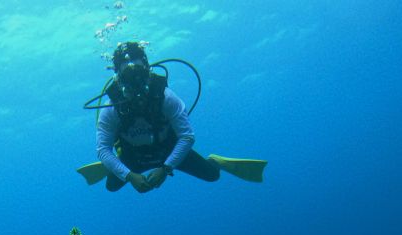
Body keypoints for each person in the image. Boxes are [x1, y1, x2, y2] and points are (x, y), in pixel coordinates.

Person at [78, 41, 266, 193]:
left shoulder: (166, 97)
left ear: (147, 70)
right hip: (133, 155)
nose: (135, 84)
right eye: (128, 76)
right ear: (118, 77)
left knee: (212, 175)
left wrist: (166, 168)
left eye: (139, 74)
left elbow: (187, 136)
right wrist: (129, 175)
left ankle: (215, 161)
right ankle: (114, 163)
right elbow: (103, 149)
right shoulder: (110, 109)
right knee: (111, 187)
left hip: (168, 148)